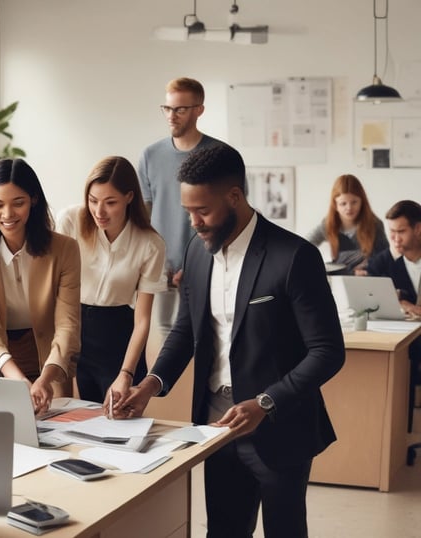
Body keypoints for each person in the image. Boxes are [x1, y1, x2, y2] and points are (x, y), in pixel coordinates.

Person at [118, 144, 345, 538]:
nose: (193, 222)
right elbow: (186, 332)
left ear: (235, 197)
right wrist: (150, 384)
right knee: (223, 530)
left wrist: (264, 402)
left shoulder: (294, 256)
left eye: (201, 211)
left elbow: (328, 352)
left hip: (280, 423)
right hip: (216, 423)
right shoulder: (197, 252)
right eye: (188, 211)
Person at [0, 158, 80, 415]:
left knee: (59, 432)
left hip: (52, 358)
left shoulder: (65, 249)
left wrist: (45, 379)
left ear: (33, 200)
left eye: (18, 203)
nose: (8, 214)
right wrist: (20, 380)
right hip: (6, 358)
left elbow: (67, 323)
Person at [56, 156, 167, 403]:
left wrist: (126, 373)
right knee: (73, 421)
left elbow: (142, 320)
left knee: (119, 424)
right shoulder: (71, 221)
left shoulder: (150, 244)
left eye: (110, 202)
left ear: (129, 197)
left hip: (119, 338)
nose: (99, 211)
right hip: (74, 328)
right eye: (93, 200)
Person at [138, 77, 223, 361]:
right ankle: (172, 398)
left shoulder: (218, 156)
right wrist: (153, 262)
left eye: (180, 110)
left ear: (199, 110)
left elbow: (227, 219)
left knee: (204, 333)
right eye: (167, 108)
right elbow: (143, 216)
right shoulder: (150, 155)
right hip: (160, 265)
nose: (171, 116)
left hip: (206, 262)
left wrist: (198, 262)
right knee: (164, 333)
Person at [365, 200, 421, 427]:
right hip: (402, 339)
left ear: (418, 229)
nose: (395, 238)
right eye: (391, 232)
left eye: (401, 232)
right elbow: (371, 301)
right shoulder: (381, 263)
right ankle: (396, 430)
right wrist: (405, 304)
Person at [306, 174, 388, 275]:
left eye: (354, 202)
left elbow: (385, 258)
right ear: (335, 205)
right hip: (338, 281)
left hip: (368, 280)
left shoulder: (375, 224)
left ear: (362, 201)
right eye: (343, 203)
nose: (349, 208)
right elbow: (304, 245)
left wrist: (368, 271)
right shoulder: (327, 225)